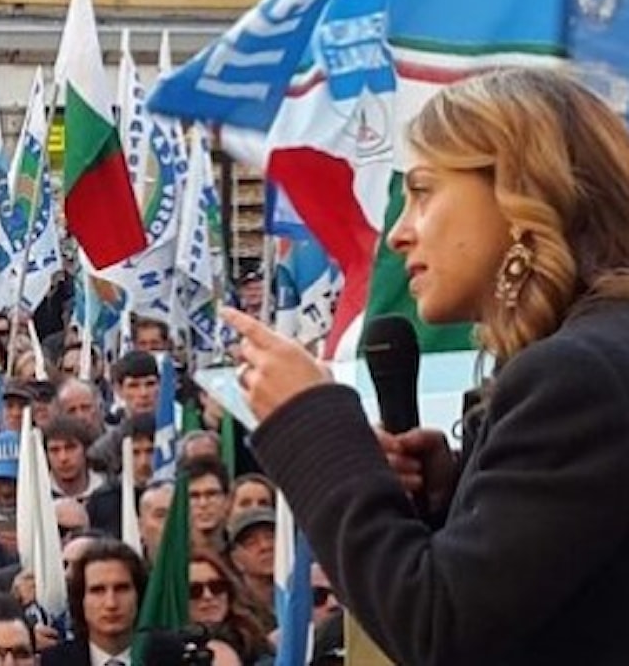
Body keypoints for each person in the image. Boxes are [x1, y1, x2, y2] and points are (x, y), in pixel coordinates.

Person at [224, 68, 629, 665]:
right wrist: (459, 493)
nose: (398, 234)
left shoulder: (577, 377)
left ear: (519, 193)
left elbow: (440, 628)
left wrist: (313, 422)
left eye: (422, 191)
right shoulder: (591, 358)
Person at [42, 539, 145, 666]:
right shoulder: (54, 662)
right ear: (80, 599)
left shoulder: (171, 657)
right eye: (98, 591)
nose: (111, 603)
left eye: (121, 589)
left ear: (138, 594)